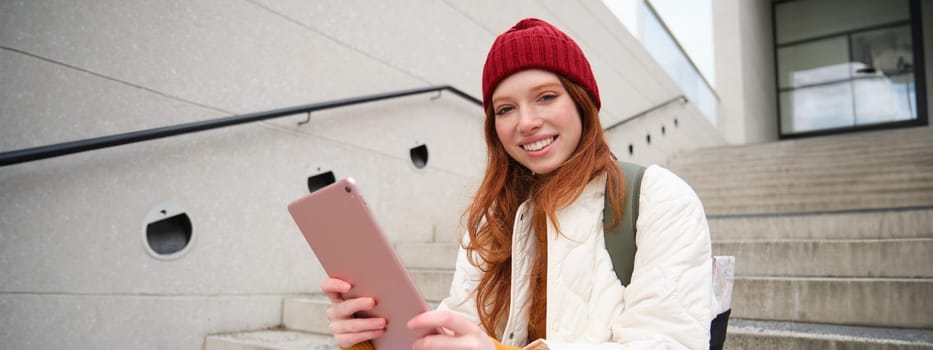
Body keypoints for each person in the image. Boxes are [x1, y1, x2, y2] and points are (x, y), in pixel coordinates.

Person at [322, 18, 714, 350]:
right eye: (505, 108)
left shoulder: (656, 197)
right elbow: (461, 324)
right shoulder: (491, 219)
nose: (525, 122)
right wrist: (370, 338)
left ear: (582, 103)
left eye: (545, 97)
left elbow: (668, 341)